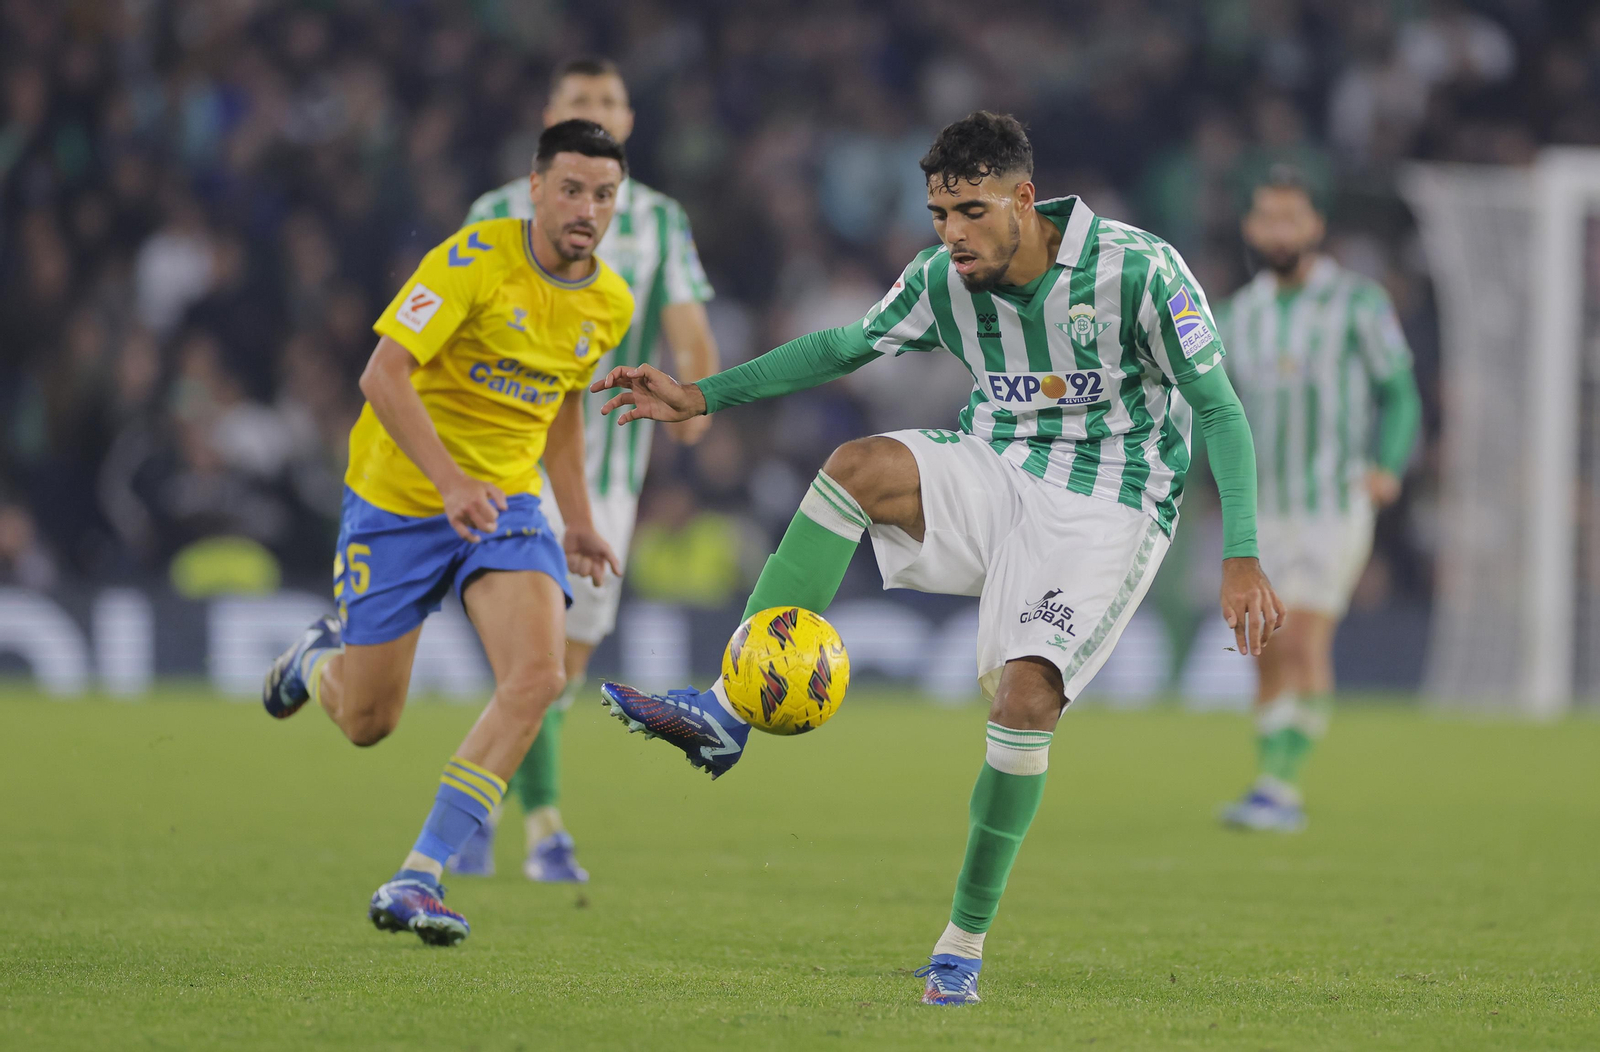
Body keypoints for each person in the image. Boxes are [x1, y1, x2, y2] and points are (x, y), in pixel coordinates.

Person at [588, 112, 1284, 1004]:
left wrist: (1240, 553)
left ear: (1024, 201)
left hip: (1109, 504)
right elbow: (842, 346)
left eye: (971, 212)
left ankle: (962, 942)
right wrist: (702, 396)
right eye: (939, 214)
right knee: (857, 468)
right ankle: (727, 710)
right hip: (996, 468)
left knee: (1025, 701)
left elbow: (1219, 410)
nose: (952, 234)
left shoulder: (1138, 271)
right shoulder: (940, 279)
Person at [259, 120, 632, 946]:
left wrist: (577, 517)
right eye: (571, 189)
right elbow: (382, 376)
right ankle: (319, 657)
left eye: (603, 195)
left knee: (535, 678)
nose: (586, 209)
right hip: (400, 501)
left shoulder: (609, 302)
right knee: (368, 723)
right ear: (534, 188)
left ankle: (418, 875)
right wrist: (448, 482)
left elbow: (565, 404)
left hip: (504, 509)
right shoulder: (470, 261)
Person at [450, 57, 719, 883]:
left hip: (609, 468)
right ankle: (542, 829)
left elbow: (688, 330)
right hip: (509, 453)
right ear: (549, 120)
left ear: (629, 122)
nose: (597, 111)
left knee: (562, 666)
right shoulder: (496, 212)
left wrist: (694, 394)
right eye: (580, 101)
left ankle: (484, 805)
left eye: (609, 101)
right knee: (532, 655)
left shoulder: (660, 221)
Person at [1216, 168, 1421, 833]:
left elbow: (1401, 392)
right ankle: (1269, 779)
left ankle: (1282, 785)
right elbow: (1214, 411)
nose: (1280, 231)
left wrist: (1388, 464)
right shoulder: (1235, 316)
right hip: (1264, 507)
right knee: (1266, 644)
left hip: (1334, 501)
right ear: (1251, 228)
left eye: (1291, 219)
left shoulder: (1359, 303)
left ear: (1314, 227)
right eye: (1268, 219)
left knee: (1303, 636)